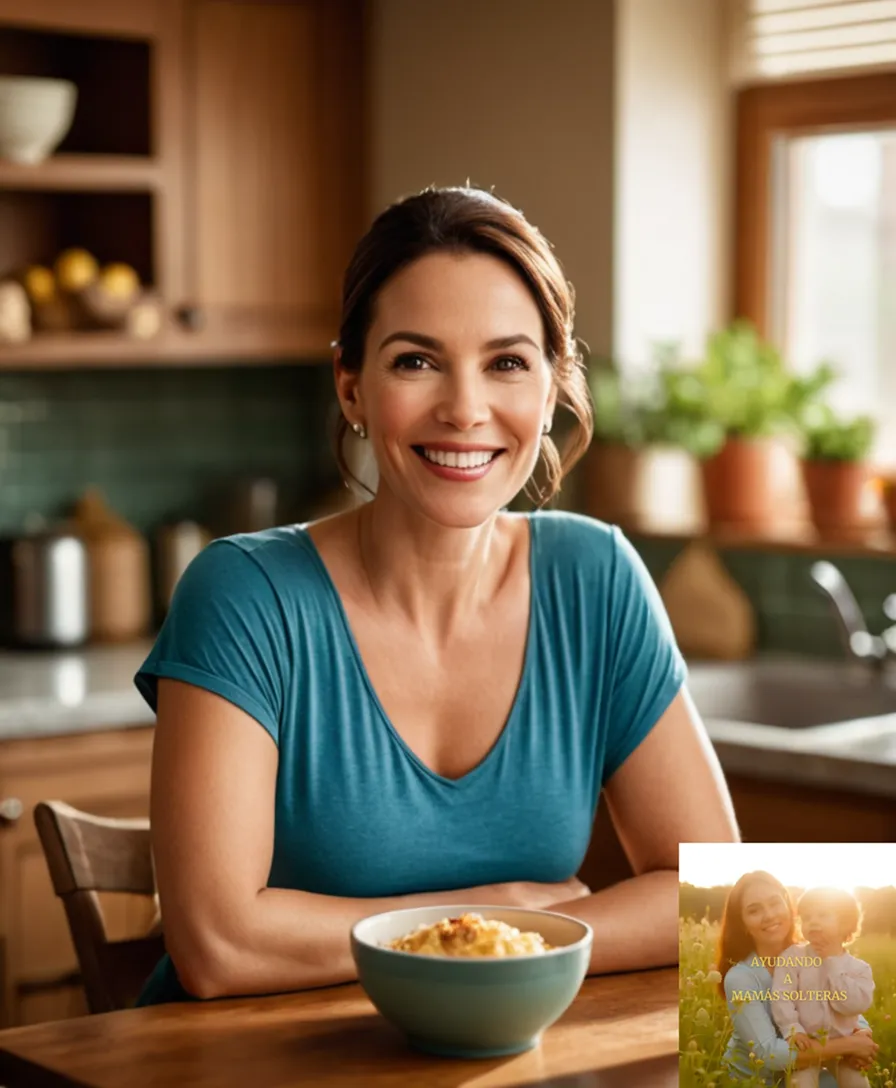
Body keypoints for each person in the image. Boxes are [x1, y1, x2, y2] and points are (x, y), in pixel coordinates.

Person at [134, 185, 739, 1005]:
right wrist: (494, 919)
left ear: (553, 387)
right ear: (351, 386)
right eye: (416, 361)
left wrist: (516, 944)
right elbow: (217, 945)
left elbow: (709, 898)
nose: (465, 409)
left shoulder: (596, 579)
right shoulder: (245, 595)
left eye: (507, 363)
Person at [717, 872, 878, 1085]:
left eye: (775, 903)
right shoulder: (741, 978)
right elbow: (768, 1054)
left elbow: (835, 1000)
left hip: (808, 1065)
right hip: (756, 1080)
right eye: (754, 910)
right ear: (743, 923)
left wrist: (862, 1032)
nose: (769, 915)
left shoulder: (814, 953)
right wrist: (849, 1045)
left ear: (788, 906)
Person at [770, 886, 874, 1088]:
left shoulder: (859, 969)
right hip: (807, 1044)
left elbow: (853, 1006)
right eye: (807, 917)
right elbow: (782, 997)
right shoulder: (792, 958)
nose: (813, 922)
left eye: (823, 915)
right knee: (801, 1083)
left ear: (845, 924)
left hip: (845, 1049)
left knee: (858, 1083)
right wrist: (793, 1030)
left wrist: (832, 963)